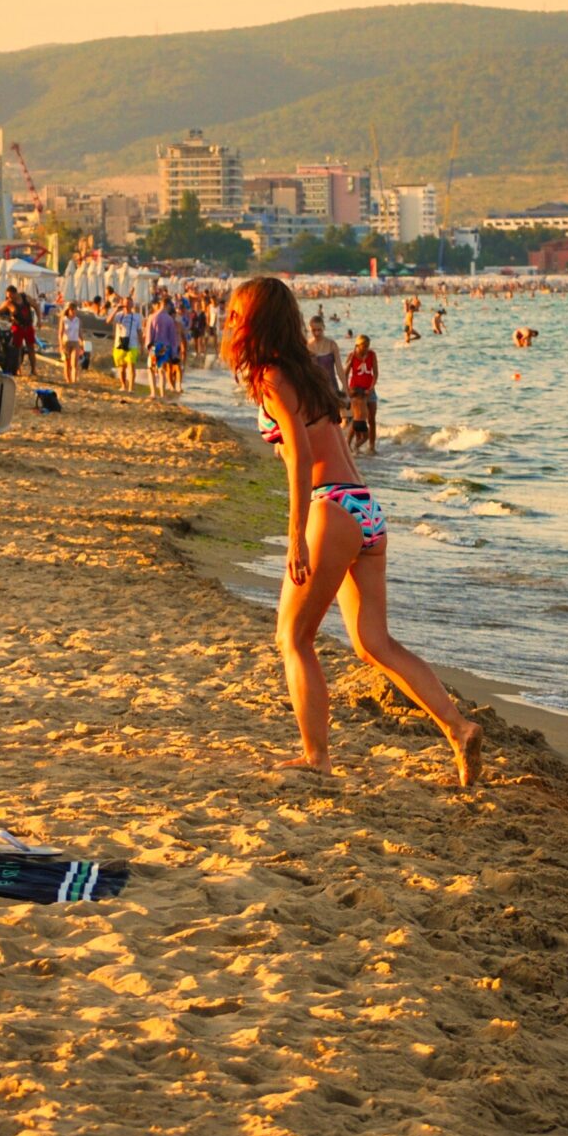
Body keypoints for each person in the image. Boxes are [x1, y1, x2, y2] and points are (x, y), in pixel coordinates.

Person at [222, 276, 483, 786]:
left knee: (293, 637)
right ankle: (458, 727)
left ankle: (316, 756)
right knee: (374, 642)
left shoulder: (272, 377)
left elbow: (299, 459)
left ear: (252, 320)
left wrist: (295, 536)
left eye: (236, 313)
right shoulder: (310, 372)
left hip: (331, 507)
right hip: (363, 506)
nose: (229, 321)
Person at [344, 334, 380, 455]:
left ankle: (371, 446)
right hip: (356, 390)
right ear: (357, 345)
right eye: (363, 346)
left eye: (367, 346)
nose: (366, 349)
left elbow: (375, 373)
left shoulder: (372, 355)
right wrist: (348, 391)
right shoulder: (352, 356)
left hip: (369, 389)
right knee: (358, 418)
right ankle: (350, 444)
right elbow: (345, 374)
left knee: (372, 418)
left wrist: (371, 388)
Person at [112, 297, 143, 393]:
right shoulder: (118, 315)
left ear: (132, 305)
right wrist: (116, 309)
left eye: (130, 304)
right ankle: (123, 385)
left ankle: (131, 388)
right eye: (126, 304)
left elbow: (139, 331)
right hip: (119, 343)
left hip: (132, 343)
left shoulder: (137, 317)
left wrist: (141, 345)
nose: (128, 306)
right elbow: (108, 321)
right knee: (121, 368)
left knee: (131, 366)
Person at [308, 316, 343, 393]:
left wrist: (346, 388)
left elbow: (339, 369)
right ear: (309, 329)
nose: (317, 333)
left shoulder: (332, 345)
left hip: (331, 387)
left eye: (319, 330)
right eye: (314, 330)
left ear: (324, 328)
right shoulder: (307, 346)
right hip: (313, 388)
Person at [59, 300, 83, 385]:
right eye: (72, 310)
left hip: (75, 342)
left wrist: (82, 342)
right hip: (66, 342)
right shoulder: (64, 319)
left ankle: (74, 380)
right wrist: (61, 345)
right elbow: (60, 333)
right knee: (67, 363)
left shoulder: (77, 320)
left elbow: (79, 332)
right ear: (69, 310)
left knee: (74, 363)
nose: (74, 312)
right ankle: (68, 380)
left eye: (75, 310)